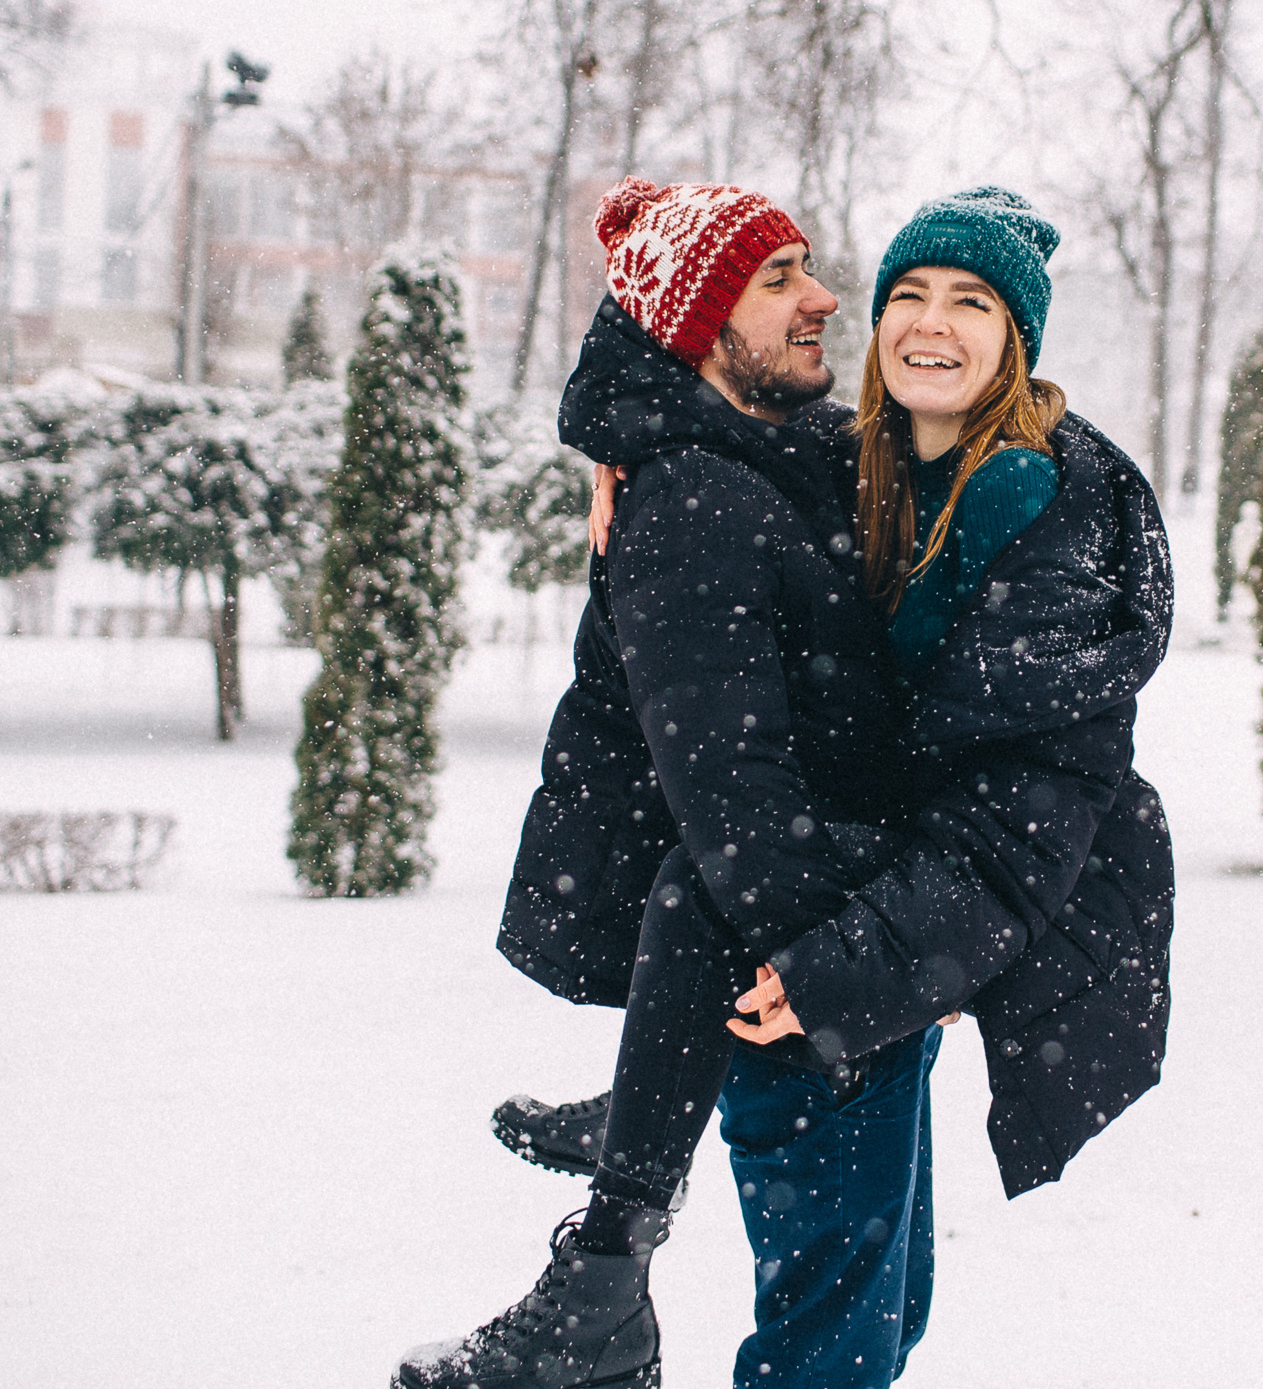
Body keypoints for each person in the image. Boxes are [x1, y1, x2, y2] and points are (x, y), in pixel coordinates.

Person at [396, 184, 1172, 1389]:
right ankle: (605, 1271)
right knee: (833, 1344)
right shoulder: (813, 466)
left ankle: (609, 1253)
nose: (905, 314)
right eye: (906, 292)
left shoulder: (1021, 502)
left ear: (1019, 336)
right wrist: (635, 436)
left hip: (894, 938)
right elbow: (733, 793)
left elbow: (1034, 803)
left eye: (970, 300)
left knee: (881, 1312)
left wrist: (930, 949)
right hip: (810, 964)